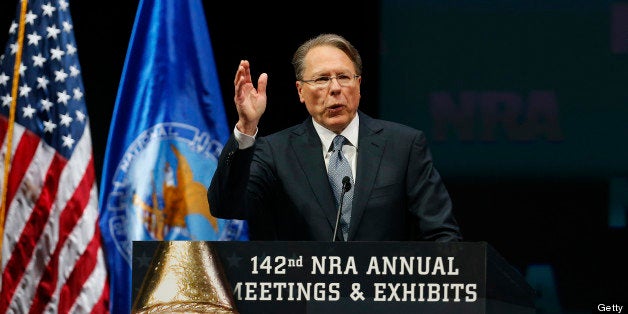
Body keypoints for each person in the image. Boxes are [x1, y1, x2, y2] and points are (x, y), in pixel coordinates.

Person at [208, 33, 461, 242]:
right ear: (301, 91)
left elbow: (442, 233)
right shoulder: (274, 152)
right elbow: (227, 206)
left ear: (358, 84)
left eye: (343, 77)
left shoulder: (403, 146)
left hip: (385, 298)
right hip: (302, 298)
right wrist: (246, 126)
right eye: (321, 79)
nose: (335, 88)